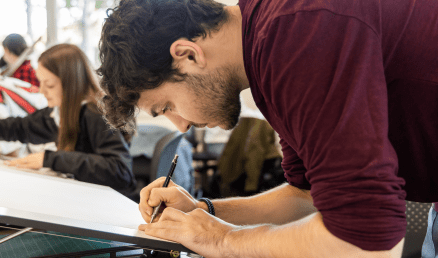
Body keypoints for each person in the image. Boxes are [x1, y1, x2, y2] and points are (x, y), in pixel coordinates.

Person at [96, 0, 438, 257]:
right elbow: (306, 196)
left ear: (187, 54)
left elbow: (367, 240)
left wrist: (221, 239)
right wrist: (204, 212)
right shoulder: (266, 48)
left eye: (166, 106)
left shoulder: (298, 32)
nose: (181, 125)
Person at [0, 44, 135, 192]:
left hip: (110, 208)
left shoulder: (95, 113)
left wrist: (50, 159)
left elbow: (119, 171)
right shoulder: (59, 113)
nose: (42, 91)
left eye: (50, 85)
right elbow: (19, 127)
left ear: (72, 84)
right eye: (41, 83)